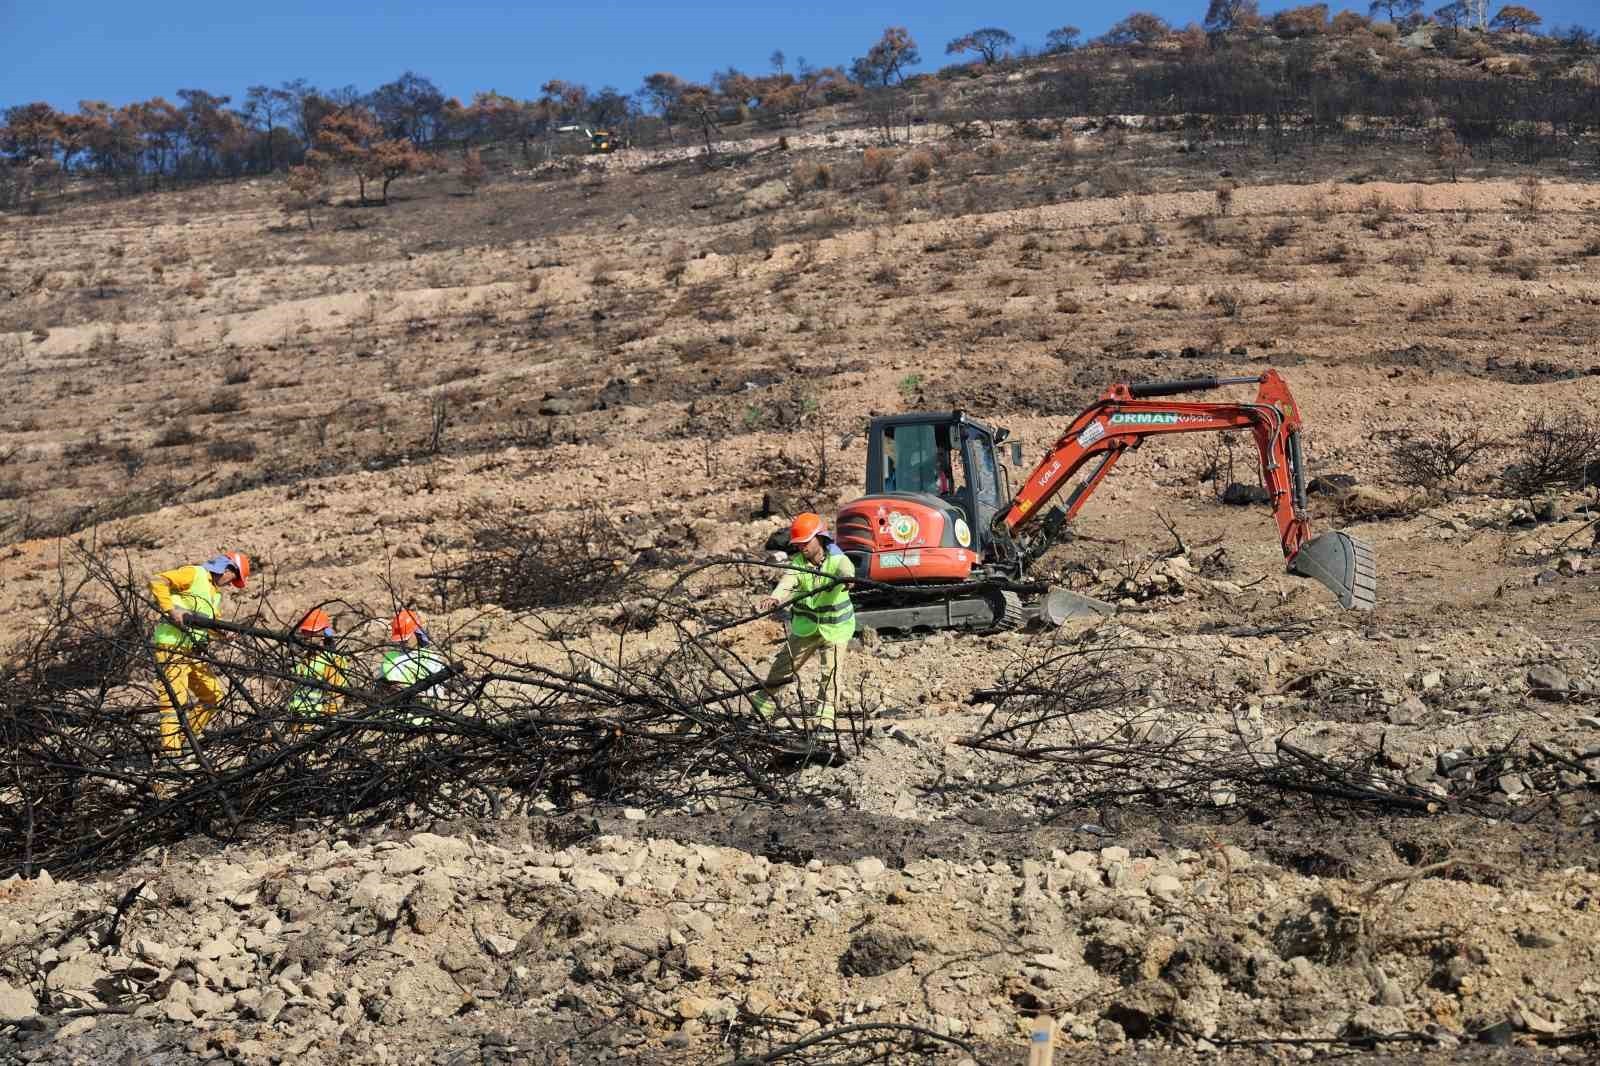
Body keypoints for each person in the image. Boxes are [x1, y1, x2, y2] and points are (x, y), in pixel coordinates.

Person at [751, 513, 856, 731]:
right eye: (798, 544)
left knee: (831, 674)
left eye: (805, 542)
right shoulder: (798, 563)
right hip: (806, 629)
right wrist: (775, 598)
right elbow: (788, 582)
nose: (801, 547)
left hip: (836, 629)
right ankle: (760, 712)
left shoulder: (837, 559)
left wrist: (848, 580)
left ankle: (825, 722)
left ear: (820, 538)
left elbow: (847, 570)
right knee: (782, 668)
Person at [148, 552, 250, 752]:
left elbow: (207, 624)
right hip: (172, 646)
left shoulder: (215, 594)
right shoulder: (194, 573)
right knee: (173, 702)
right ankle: (172, 757)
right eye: (234, 578)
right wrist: (171, 610)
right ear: (227, 568)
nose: (232, 584)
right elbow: (157, 580)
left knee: (213, 696)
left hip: (193, 652)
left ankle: (187, 742)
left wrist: (223, 635)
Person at [286, 609, 347, 724]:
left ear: (324, 633)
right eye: (305, 632)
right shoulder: (306, 658)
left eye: (311, 632)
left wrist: (322, 722)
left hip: (314, 723)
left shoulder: (333, 661)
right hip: (295, 720)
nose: (306, 636)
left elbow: (336, 697)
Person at [378, 609, 450, 701]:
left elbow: (438, 693)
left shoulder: (430, 659)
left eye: (406, 639)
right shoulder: (390, 657)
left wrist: (416, 694)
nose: (403, 642)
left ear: (417, 633)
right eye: (400, 640)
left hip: (417, 710)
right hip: (390, 708)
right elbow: (378, 688)